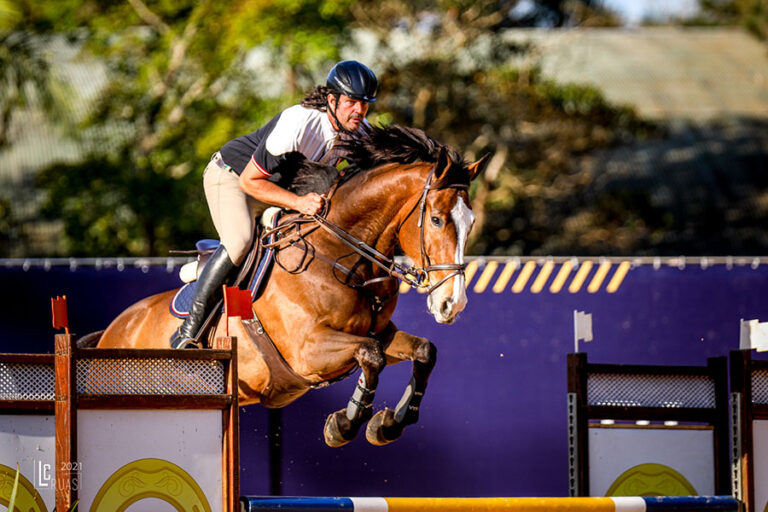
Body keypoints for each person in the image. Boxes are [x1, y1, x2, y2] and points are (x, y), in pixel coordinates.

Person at [170, 60, 378, 348]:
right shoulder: (298, 122)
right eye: (352, 102)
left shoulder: (358, 130)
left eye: (365, 104)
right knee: (241, 240)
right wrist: (298, 202)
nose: (359, 111)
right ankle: (188, 331)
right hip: (233, 178)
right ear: (332, 100)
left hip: (277, 190)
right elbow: (249, 182)